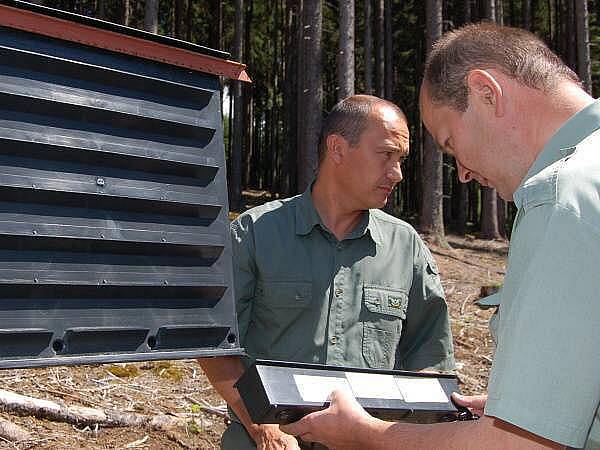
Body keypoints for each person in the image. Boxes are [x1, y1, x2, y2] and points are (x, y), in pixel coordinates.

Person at [280, 22, 600, 450]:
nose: (463, 173)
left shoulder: (562, 197)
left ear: (487, 93)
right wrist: (530, 406)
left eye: (450, 143)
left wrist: (364, 433)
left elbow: (522, 447)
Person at [198, 94, 455, 450]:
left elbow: (431, 357)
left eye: (401, 160)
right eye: (385, 155)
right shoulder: (255, 234)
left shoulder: (405, 247)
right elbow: (214, 346)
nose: (396, 173)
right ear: (337, 148)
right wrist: (264, 429)